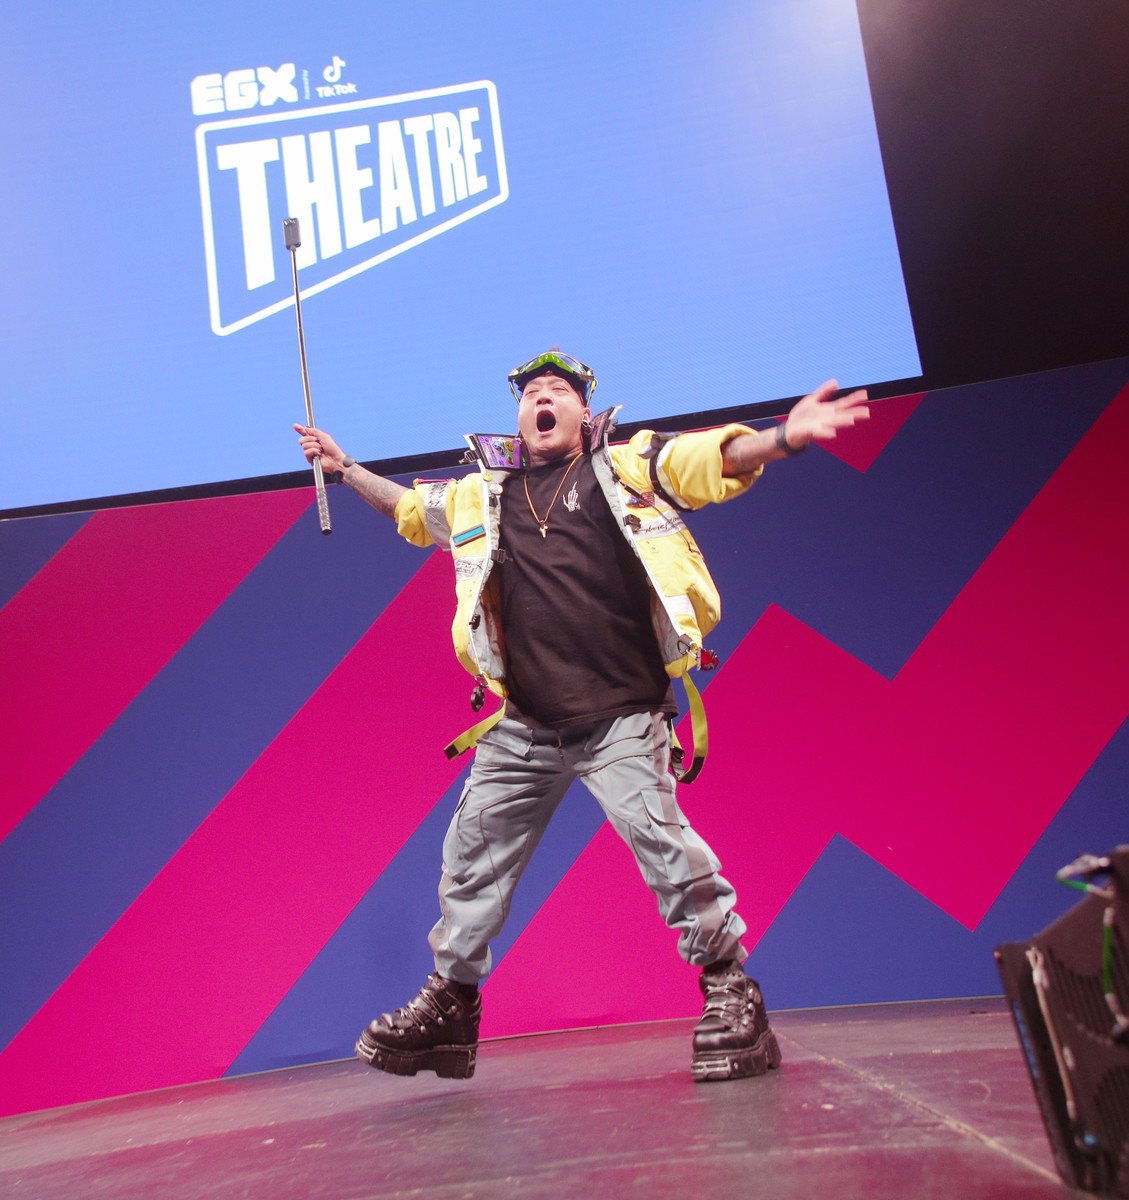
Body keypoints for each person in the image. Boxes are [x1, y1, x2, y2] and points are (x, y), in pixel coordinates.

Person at [293, 349, 870, 1082]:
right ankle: (452, 1008)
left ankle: (731, 989)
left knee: (665, 849)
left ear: (584, 412)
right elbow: (411, 510)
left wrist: (782, 438)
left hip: (620, 714)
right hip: (523, 724)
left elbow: (702, 460)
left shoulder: (623, 469)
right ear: (520, 418)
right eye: (531, 392)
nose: (542, 398)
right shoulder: (482, 497)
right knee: (469, 857)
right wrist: (345, 468)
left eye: (557, 390)